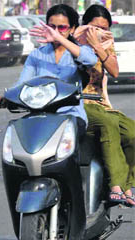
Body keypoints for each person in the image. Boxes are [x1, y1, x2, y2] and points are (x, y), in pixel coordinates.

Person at [0, 3, 98, 133]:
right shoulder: (36, 54)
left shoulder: (80, 50)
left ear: (72, 29)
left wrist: (59, 38)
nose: (55, 31)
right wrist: (5, 97)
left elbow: (91, 60)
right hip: (39, 115)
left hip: (71, 116)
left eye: (62, 28)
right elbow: (22, 83)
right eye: (52, 27)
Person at [74, 4, 135, 207]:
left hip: (101, 103)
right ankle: (116, 186)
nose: (99, 32)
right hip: (81, 102)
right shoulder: (73, 43)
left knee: (132, 132)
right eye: (94, 27)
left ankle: (128, 185)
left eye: (104, 28)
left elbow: (115, 71)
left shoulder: (106, 43)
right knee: (107, 124)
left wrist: (100, 46)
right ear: (84, 26)